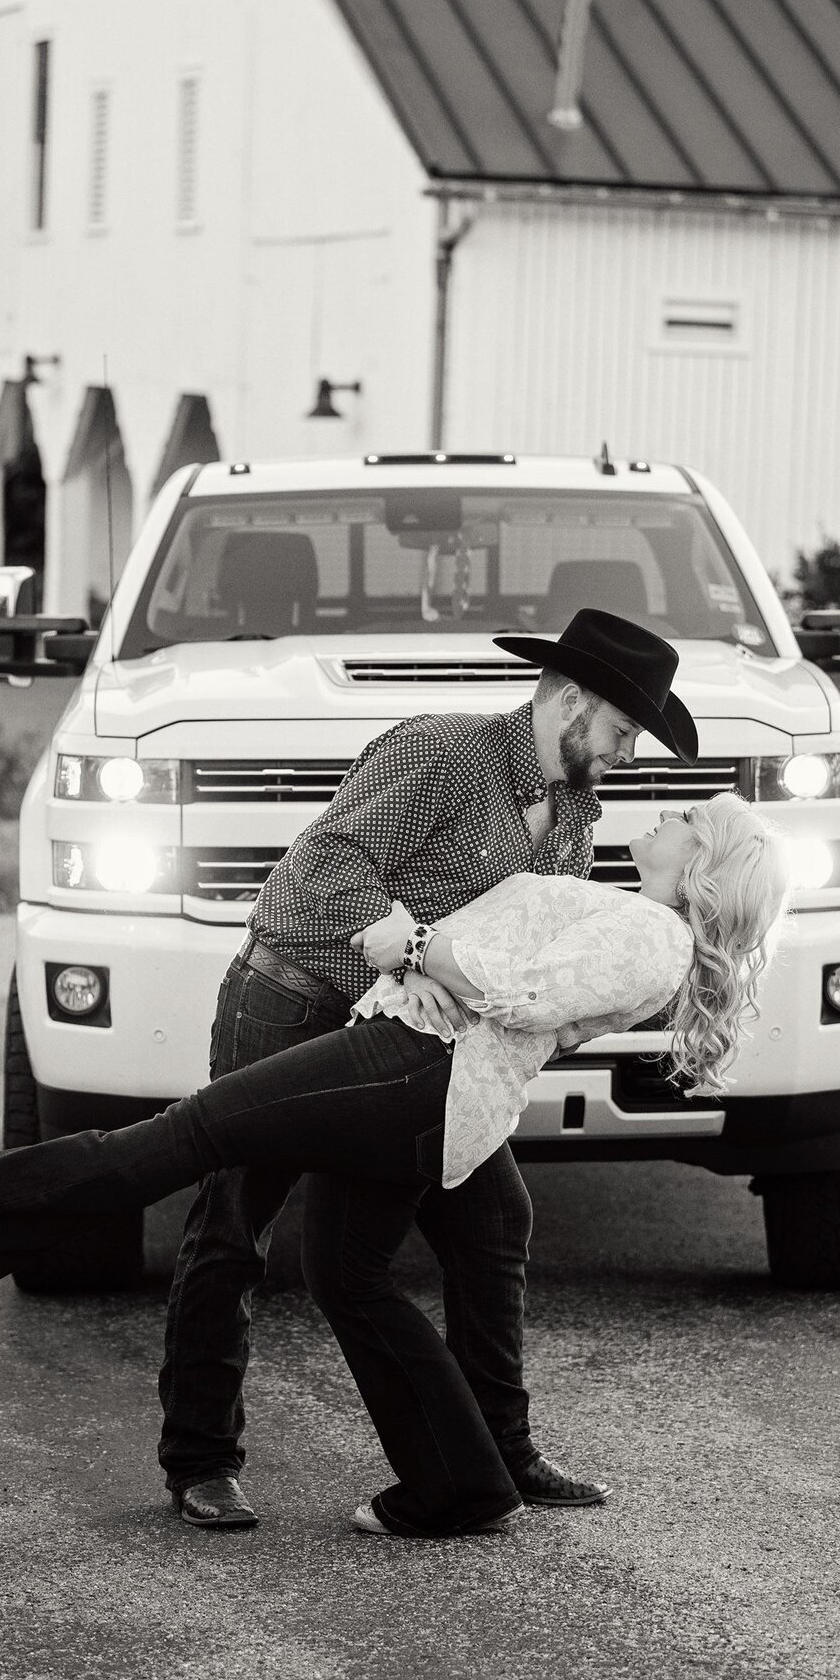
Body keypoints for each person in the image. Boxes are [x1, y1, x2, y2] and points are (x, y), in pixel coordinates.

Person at [0, 790, 790, 1540]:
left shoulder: (653, 936)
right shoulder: (627, 910)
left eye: (688, 818)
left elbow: (525, 994)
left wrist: (412, 943)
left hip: (415, 1067)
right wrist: (425, 949)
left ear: (702, 865)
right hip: (420, 1068)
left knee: (191, 1135)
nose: (665, 814)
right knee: (345, 1273)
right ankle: (461, 1481)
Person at [152, 607, 701, 1529]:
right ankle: (201, 1460)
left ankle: (502, 1452)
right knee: (235, 1219)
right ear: (569, 698)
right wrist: (408, 955)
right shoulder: (445, 754)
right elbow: (321, 865)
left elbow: (523, 956)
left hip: (407, 1053)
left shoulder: (571, 817)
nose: (630, 752)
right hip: (294, 1000)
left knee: (495, 1221)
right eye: (620, 730)